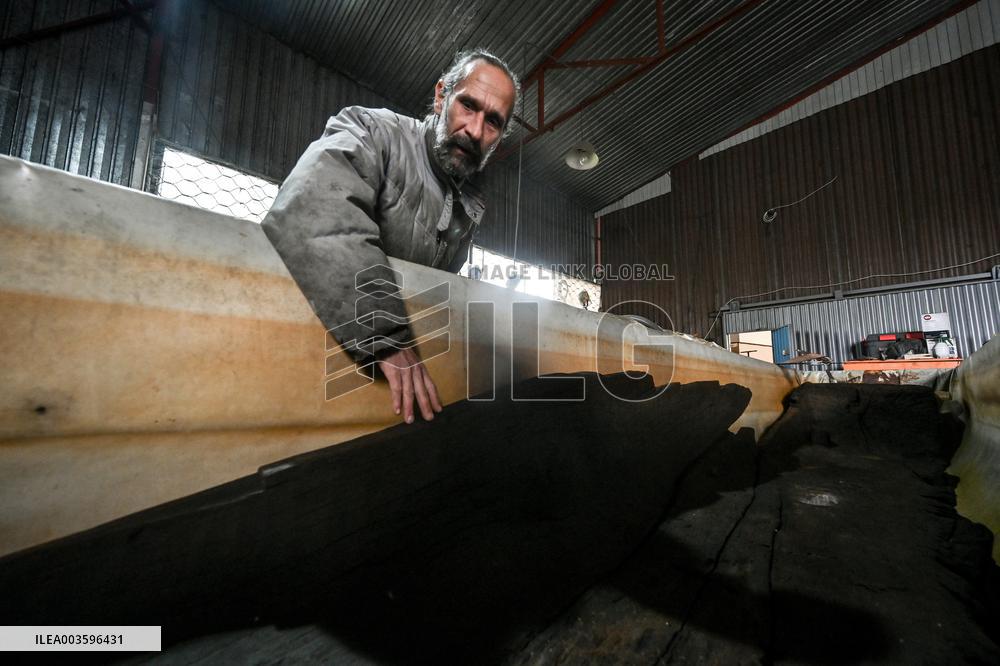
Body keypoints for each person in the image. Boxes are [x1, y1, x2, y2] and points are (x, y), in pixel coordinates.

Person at [262, 50, 519, 425]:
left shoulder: (470, 204)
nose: (476, 130)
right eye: (468, 105)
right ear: (440, 96)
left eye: (493, 121)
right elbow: (314, 207)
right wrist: (386, 335)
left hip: (383, 395)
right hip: (313, 362)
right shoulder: (371, 132)